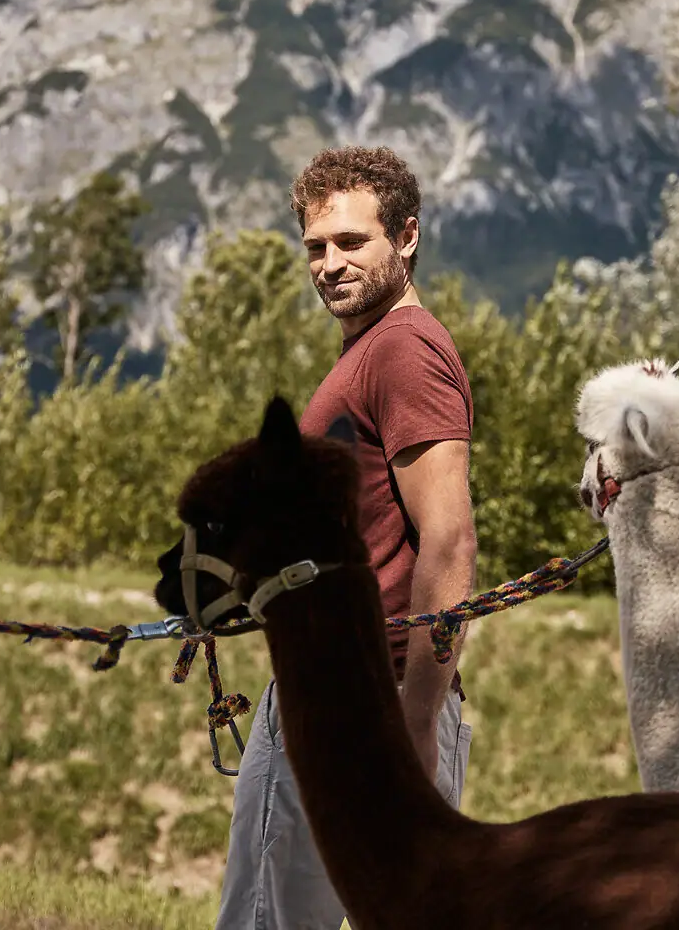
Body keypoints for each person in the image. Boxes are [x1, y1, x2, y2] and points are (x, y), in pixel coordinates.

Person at [214, 145, 478, 930]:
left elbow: (450, 542)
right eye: (315, 248)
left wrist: (417, 719)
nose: (328, 264)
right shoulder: (369, 353)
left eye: (351, 242)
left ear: (406, 236)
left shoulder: (400, 350)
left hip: (355, 704)